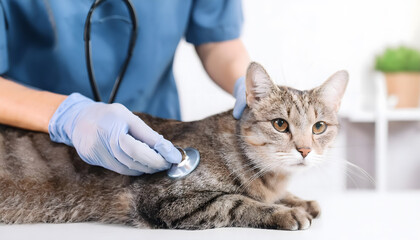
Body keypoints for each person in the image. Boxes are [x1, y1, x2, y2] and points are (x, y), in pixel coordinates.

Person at [0, 0, 249, 176]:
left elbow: (218, 41)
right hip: (29, 150)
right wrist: (66, 116)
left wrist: (247, 86)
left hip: (158, 140)